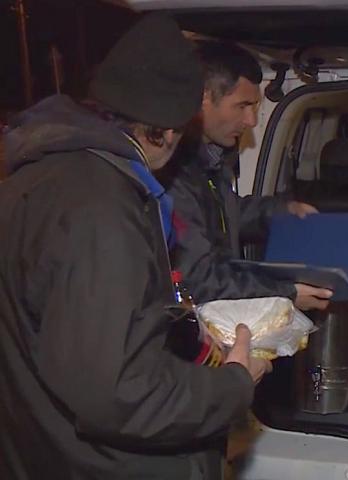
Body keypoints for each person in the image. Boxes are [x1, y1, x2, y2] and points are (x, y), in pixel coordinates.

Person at [0, 14, 269, 479]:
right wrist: (234, 383)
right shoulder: (102, 209)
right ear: (169, 127)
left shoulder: (35, 178)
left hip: (41, 449)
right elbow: (120, 393)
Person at [163, 40, 331, 310]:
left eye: (254, 107)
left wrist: (281, 211)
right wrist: (285, 294)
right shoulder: (172, 174)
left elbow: (222, 213)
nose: (251, 120)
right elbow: (199, 281)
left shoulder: (207, 161)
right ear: (203, 97)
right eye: (242, 106)